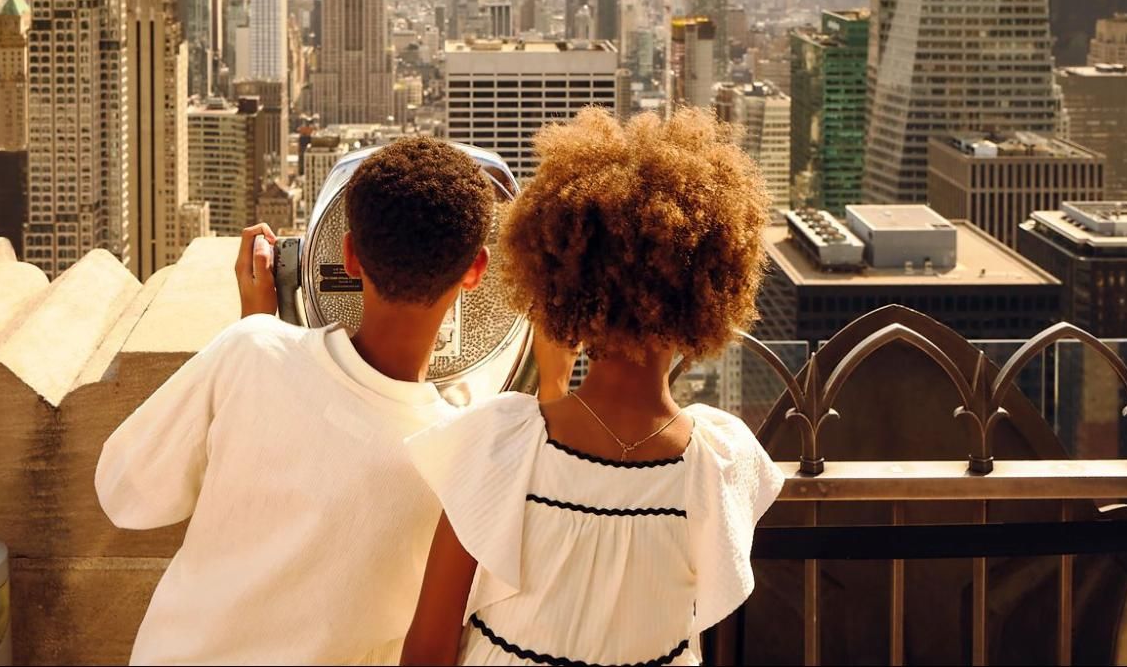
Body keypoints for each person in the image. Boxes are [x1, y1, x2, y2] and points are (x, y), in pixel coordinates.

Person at [400, 107, 782, 667]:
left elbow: (428, 647)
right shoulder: (721, 466)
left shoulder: (499, 444)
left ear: (562, 282)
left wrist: (552, 381)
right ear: (712, 288)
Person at [96, 136, 498, 665]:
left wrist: (256, 329)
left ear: (348, 255)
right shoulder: (463, 460)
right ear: (476, 270)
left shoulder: (250, 352)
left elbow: (124, 494)